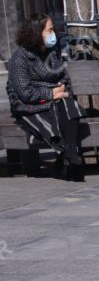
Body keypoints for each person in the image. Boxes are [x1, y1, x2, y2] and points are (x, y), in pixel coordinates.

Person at [5, 13, 86, 181]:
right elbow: (25, 93)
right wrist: (51, 93)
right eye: (49, 30)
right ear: (36, 33)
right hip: (28, 105)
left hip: (53, 99)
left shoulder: (52, 53)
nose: (53, 34)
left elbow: (64, 78)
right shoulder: (20, 58)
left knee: (66, 103)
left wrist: (58, 92)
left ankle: (68, 152)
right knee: (58, 107)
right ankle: (68, 155)